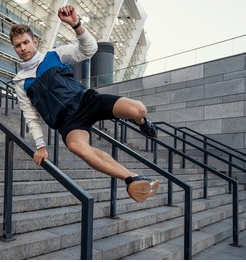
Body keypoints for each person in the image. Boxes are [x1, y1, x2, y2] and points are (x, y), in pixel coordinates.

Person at [10, 5, 159, 203]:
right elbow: (30, 116)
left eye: (26, 42)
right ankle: (133, 179)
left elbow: (89, 49)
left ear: (34, 41)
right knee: (77, 147)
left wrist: (76, 25)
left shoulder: (55, 55)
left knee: (138, 109)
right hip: (68, 123)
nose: (23, 48)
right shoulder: (20, 82)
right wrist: (41, 146)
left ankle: (141, 122)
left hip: (86, 101)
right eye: (18, 45)